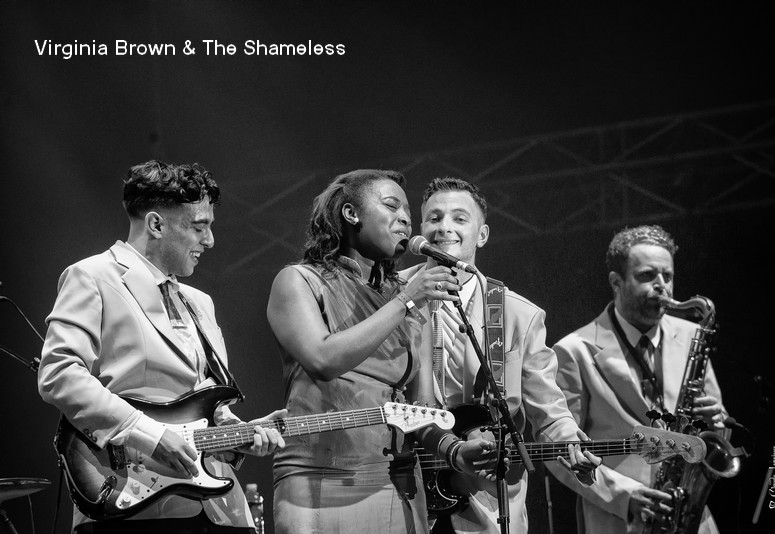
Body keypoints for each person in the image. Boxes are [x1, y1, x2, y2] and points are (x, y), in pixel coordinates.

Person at [37, 160, 286, 534]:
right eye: (198, 227)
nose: (210, 241)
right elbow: (60, 375)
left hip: (222, 510)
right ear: (156, 224)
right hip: (135, 501)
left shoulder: (200, 302)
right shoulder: (93, 277)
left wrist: (240, 434)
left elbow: (208, 404)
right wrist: (150, 436)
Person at [266, 169, 501, 534]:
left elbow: (421, 409)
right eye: (392, 206)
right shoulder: (299, 281)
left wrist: (455, 450)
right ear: (351, 214)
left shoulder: (407, 301)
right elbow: (323, 360)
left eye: (407, 212)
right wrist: (406, 301)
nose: (405, 219)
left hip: (397, 480)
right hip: (318, 476)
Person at [399, 176, 601, 534]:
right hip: (402, 490)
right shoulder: (390, 296)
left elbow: (548, 411)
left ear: (482, 235)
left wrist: (571, 445)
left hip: (485, 499)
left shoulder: (518, 315)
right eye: (434, 218)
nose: (444, 227)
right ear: (421, 230)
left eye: (459, 218)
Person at [545, 224, 730, 534]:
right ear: (616, 282)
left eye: (667, 276)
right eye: (647, 276)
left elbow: (717, 432)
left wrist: (715, 422)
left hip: (690, 515)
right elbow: (560, 452)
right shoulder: (573, 351)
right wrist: (625, 496)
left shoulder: (692, 337)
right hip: (619, 519)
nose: (662, 287)